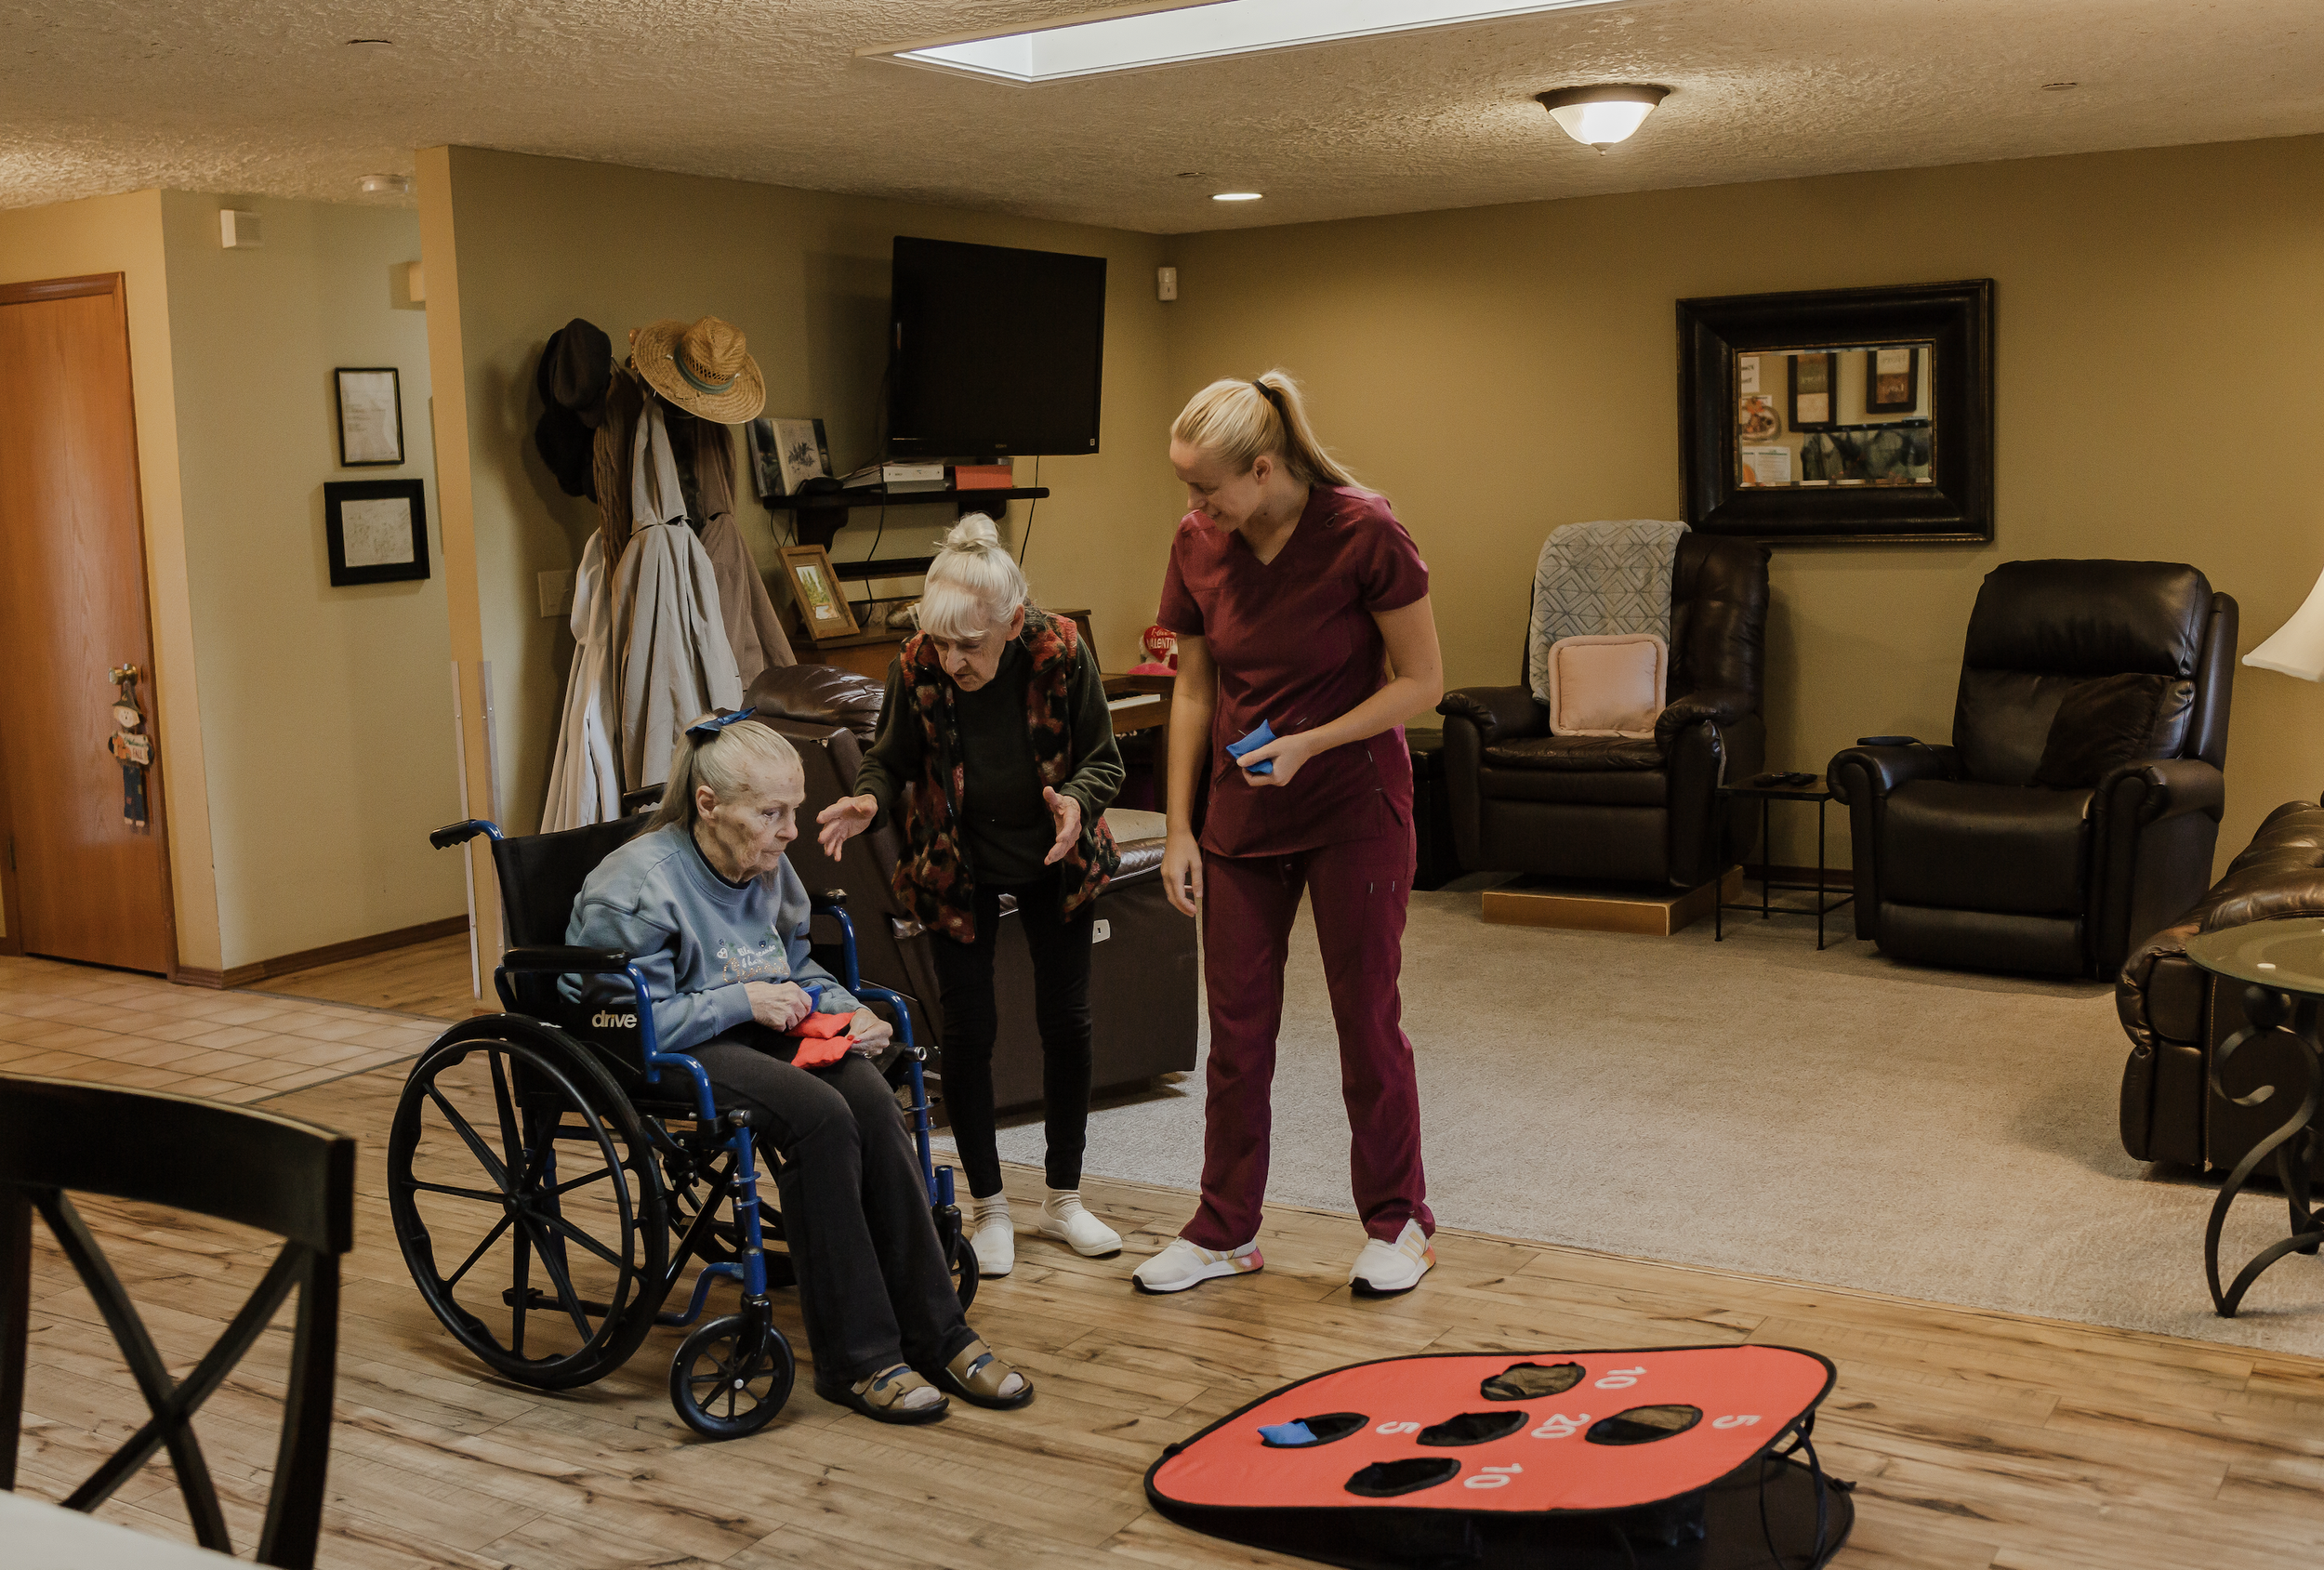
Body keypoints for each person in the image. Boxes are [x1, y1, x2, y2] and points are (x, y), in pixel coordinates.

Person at [563, 714, 1032, 1422]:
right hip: (663, 1047)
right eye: (772, 813)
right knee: (819, 1116)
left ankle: (941, 1334)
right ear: (710, 805)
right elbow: (626, 1020)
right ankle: (858, 1358)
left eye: (794, 811)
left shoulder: (768, 870)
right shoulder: (635, 890)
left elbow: (796, 963)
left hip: (751, 1025)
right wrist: (740, 998)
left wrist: (847, 1011)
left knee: (869, 1098)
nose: (790, 832)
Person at [1133, 370, 1446, 1299]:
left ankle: (1399, 1224)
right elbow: (1191, 688)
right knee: (1236, 1034)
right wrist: (1178, 828)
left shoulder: (1364, 530)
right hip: (1240, 817)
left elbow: (1421, 683)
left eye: (1204, 486)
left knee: (1365, 1020)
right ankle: (1224, 1230)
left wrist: (1312, 742)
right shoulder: (1198, 541)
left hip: (1353, 808)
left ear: (1263, 469)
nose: (1192, 505)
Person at [816, 515, 1127, 1278]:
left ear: (1014, 623)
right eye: (942, 642)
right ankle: (990, 1209)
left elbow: (1105, 759)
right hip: (957, 863)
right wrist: (866, 799)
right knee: (969, 1028)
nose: (953, 660)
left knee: (1067, 1019)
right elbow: (889, 758)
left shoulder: (1061, 653)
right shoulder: (918, 663)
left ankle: (1064, 1195)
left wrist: (1076, 803)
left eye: (971, 645)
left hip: (1056, 853)